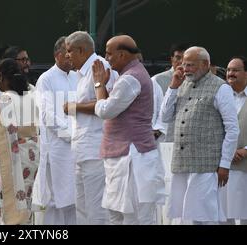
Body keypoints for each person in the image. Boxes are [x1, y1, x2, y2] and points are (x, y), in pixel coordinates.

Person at [161, 46, 239, 225]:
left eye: (190, 65)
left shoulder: (220, 88)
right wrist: (173, 87)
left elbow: (232, 129)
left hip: (207, 165)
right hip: (182, 164)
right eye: (183, 65)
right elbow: (164, 117)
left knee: (206, 215)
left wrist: (224, 164)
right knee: (185, 215)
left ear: (205, 64)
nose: (185, 69)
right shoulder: (180, 84)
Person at [93, 35, 165, 225]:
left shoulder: (130, 79)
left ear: (122, 55)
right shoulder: (132, 75)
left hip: (131, 157)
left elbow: (105, 110)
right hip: (125, 156)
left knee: (134, 217)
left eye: (109, 54)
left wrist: (99, 83)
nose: (106, 58)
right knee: (117, 214)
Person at [63, 31, 118, 225]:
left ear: (81, 50)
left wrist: (74, 107)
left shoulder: (100, 66)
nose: (67, 55)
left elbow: (108, 105)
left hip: (96, 151)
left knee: (97, 211)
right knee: (83, 210)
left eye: (69, 51)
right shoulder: (82, 74)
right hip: (82, 150)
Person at [0, 58, 40, 225]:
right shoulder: (31, 99)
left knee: (3, 203)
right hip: (30, 158)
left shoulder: (1, 103)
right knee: (24, 200)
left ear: (1, 77)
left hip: (8, 159)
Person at [33, 37, 78, 225]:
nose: (71, 56)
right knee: (57, 199)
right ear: (58, 55)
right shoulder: (46, 79)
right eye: (68, 52)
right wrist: (70, 134)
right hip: (58, 147)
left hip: (79, 145)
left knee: (76, 198)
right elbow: (47, 115)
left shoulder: (78, 77)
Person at [221, 56, 247, 225]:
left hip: (245, 164)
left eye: (235, 70)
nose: (230, 73)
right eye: (229, 70)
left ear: (246, 73)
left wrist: (245, 149)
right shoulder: (221, 96)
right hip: (223, 165)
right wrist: (226, 151)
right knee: (223, 214)